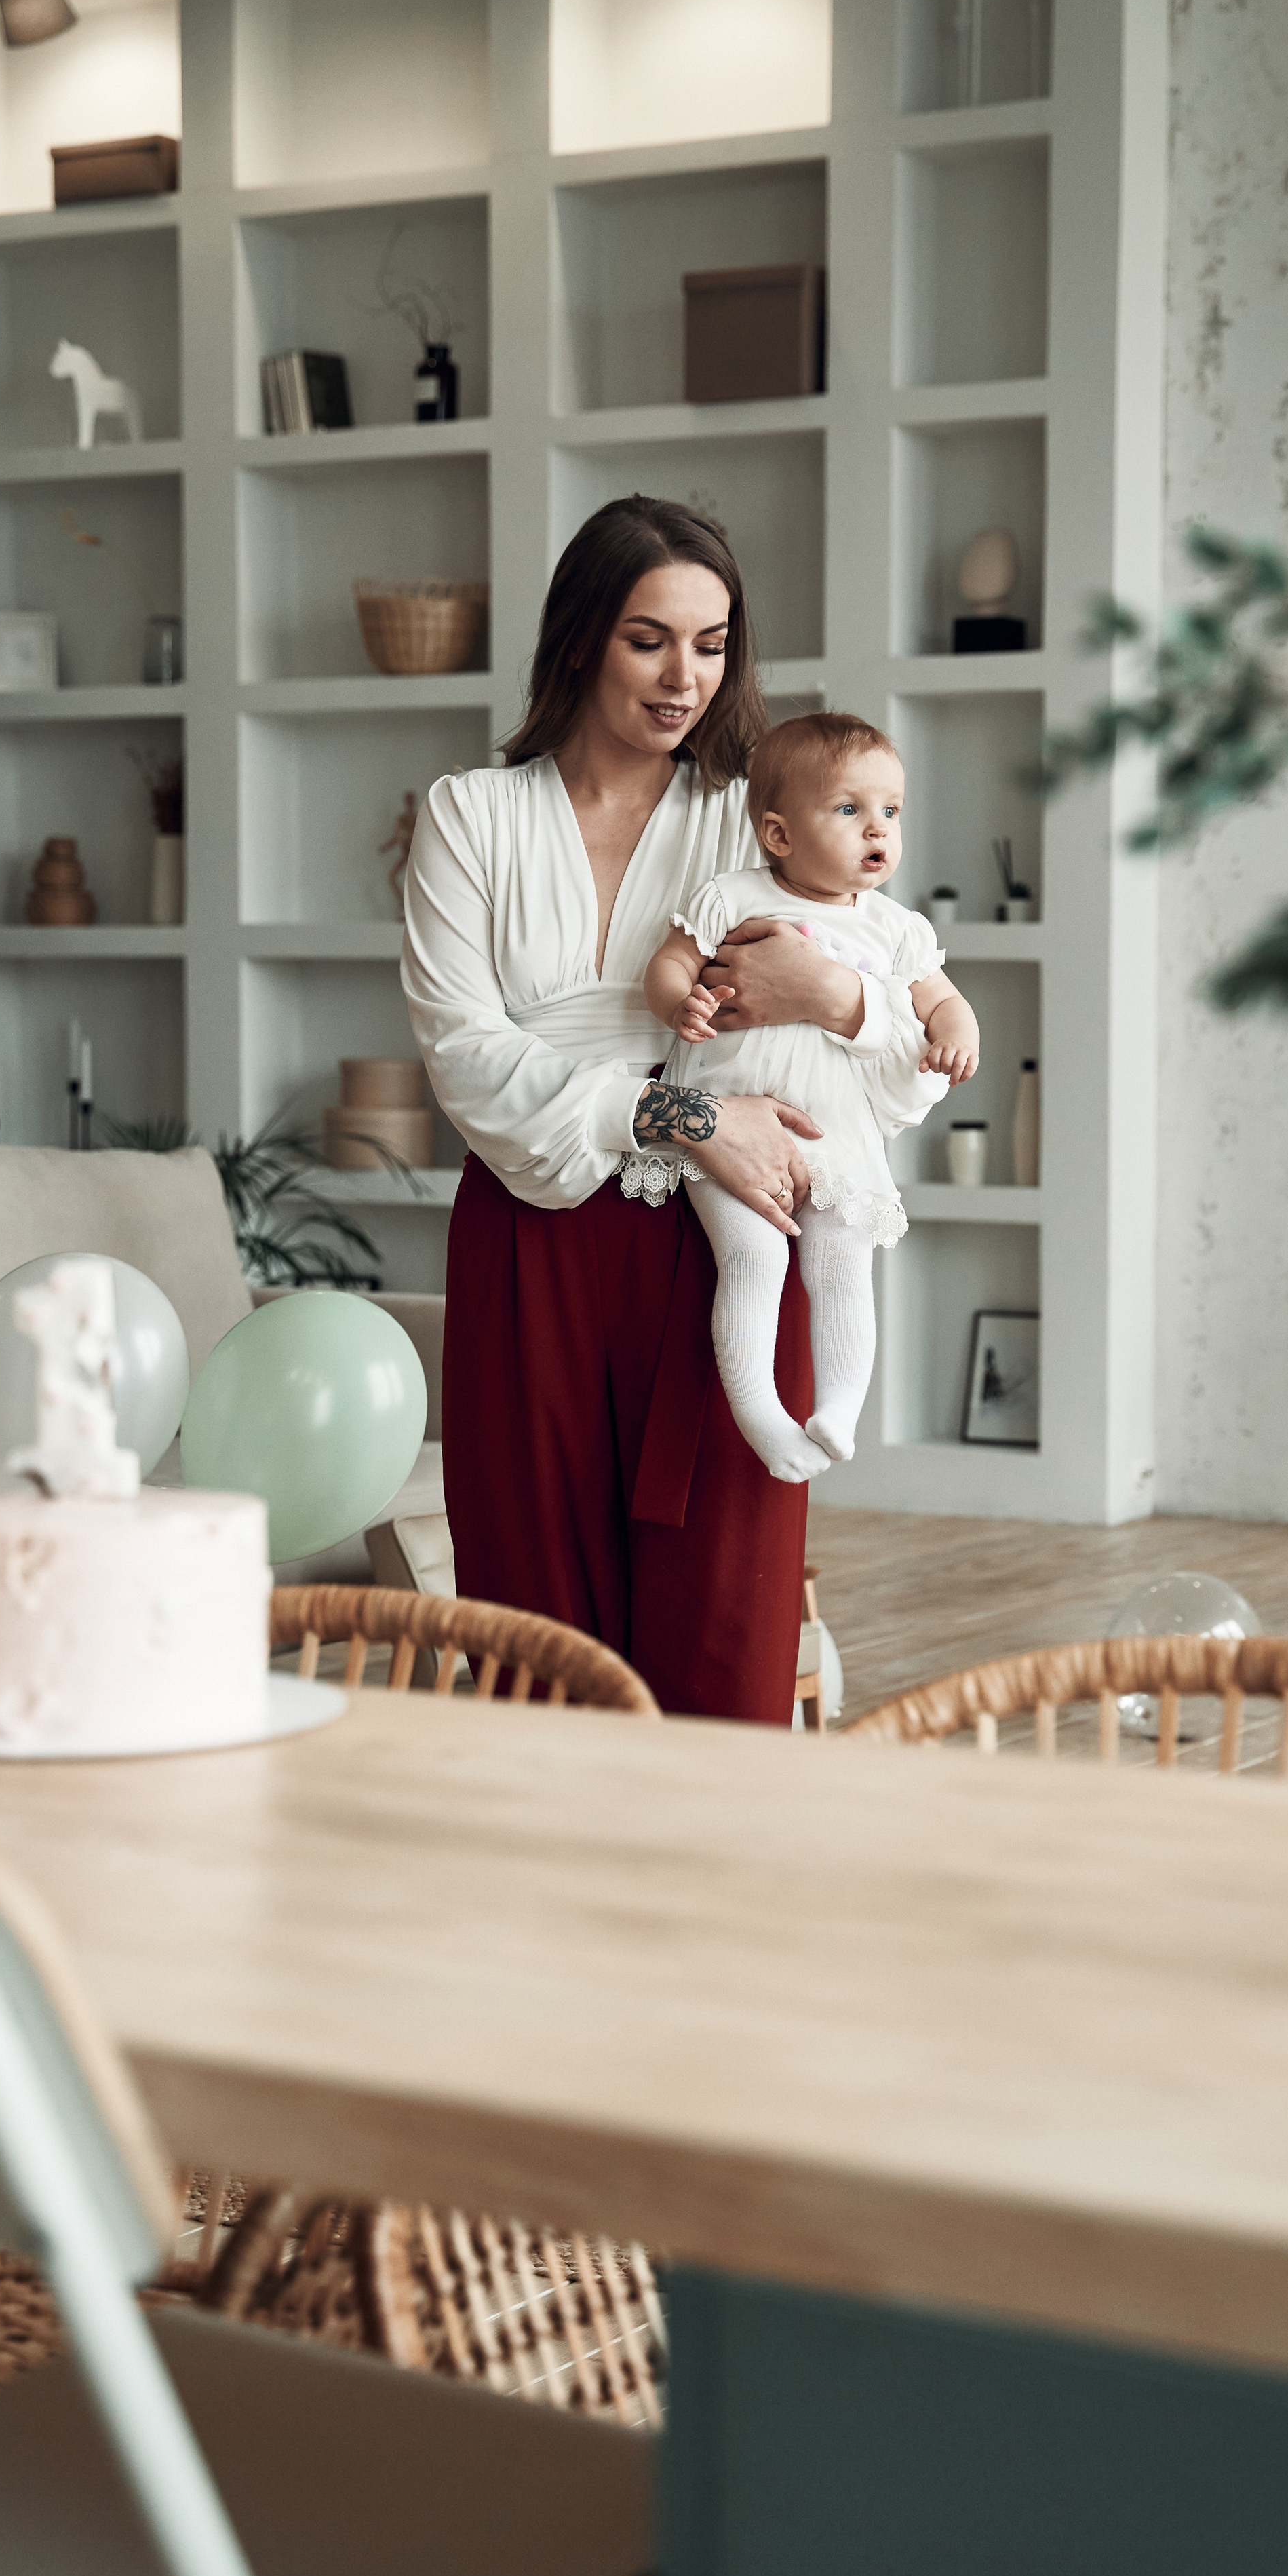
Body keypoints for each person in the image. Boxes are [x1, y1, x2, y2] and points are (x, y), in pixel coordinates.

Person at [402, 497, 924, 1724]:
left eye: (713, 641)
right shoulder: (468, 814)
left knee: (725, 1635)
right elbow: (465, 1052)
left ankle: (712, 1906)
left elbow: (904, 1055)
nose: (685, 675)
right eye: (650, 638)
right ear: (583, 636)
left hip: (729, 1236)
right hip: (532, 1242)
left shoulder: (766, 819)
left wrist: (838, 996)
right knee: (534, 1639)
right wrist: (684, 1120)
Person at [642, 713, 979, 1483]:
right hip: (723, 1120)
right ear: (779, 833)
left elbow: (944, 1002)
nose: (878, 831)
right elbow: (668, 965)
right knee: (754, 1256)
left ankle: (839, 1405)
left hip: (832, 1134)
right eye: (849, 809)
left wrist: (959, 1034)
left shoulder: (897, 928)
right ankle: (759, 1411)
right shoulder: (731, 895)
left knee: (841, 1256)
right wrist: (677, 1005)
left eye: (890, 811)